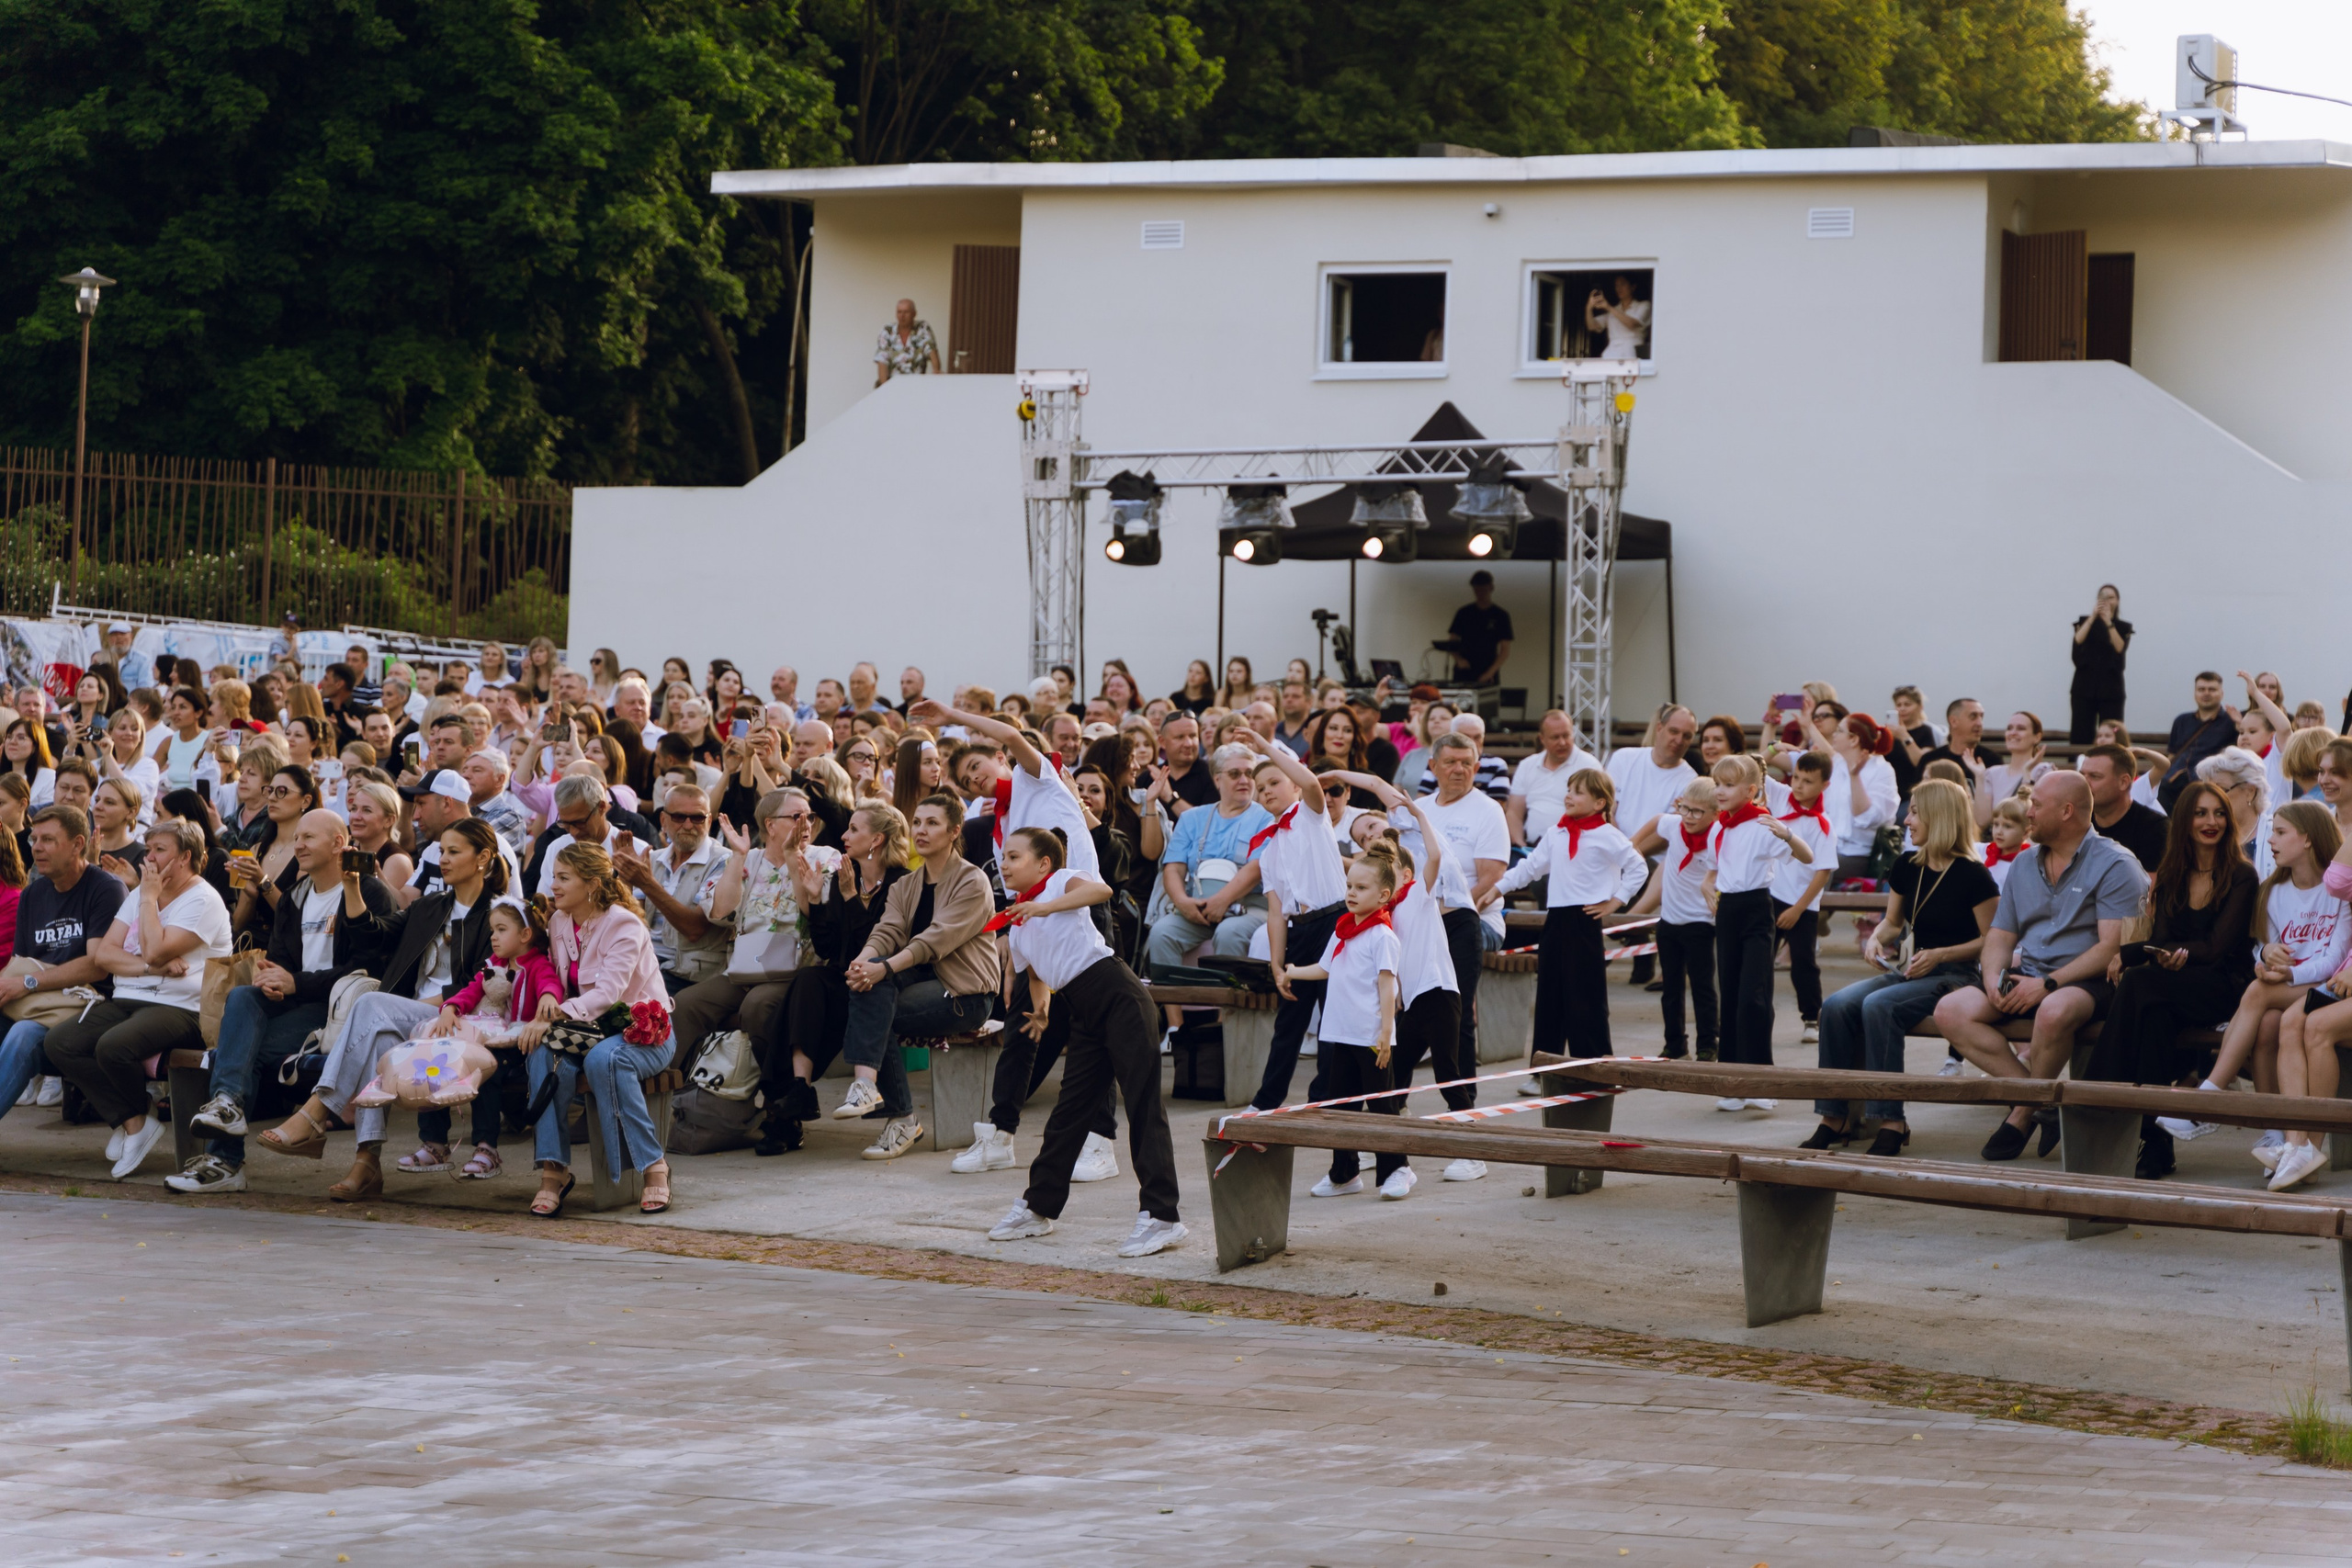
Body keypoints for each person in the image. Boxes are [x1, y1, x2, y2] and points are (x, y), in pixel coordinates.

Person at [168, 810, 400, 1192]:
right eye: (297, 838)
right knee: (244, 995)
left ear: (339, 843)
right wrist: (272, 978)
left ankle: (225, 1161)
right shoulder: (295, 896)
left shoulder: (368, 892)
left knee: (243, 1052)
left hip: (339, 1013)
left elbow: (368, 968)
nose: (299, 845)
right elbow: (283, 960)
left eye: (309, 837)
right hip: (295, 1004)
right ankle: (226, 1106)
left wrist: (296, 983)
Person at [981, 828, 1187, 1257]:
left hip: (1118, 994)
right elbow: (1036, 973)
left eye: (1014, 856)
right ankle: (1038, 1208)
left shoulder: (1061, 883)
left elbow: (1101, 889)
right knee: (1070, 1111)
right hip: (1082, 1010)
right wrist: (1041, 1009)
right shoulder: (1019, 924)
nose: (1004, 864)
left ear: (1043, 864)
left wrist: (1043, 906)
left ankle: (1163, 1215)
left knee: (1142, 1102)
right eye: (1003, 857)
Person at [1931, 771, 2149, 1160]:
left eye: (2036, 805)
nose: (2028, 812)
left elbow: (2110, 949)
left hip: (2092, 980)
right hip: (2030, 972)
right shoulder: (2025, 862)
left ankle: (2022, 1113)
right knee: (1951, 1010)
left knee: (2053, 1010)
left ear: (2067, 811)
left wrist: (2048, 983)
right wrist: (1994, 978)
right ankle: (2044, 1102)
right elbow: (2000, 934)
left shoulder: (2116, 864)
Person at [1806, 780, 1997, 1156]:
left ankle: (1891, 1121)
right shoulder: (1908, 865)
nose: (1906, 820)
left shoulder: (1974, 875)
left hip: (1956, 977)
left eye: (1914, 812)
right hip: (1912, 971)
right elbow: (1893, 921)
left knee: (1880, 1006)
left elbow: (1993, 939)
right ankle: (1834, 1116)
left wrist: (1942, 954)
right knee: (1835, 1006)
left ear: (1939, 816)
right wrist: (1878, 937)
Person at [44, 819, 234, 1179]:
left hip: (182, 1008)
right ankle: (134, 1119)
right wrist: (151, 969)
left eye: (160, 850)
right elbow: (104, 956)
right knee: (60, 1042)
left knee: (113, 1046)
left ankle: (133, 1121)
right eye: (148, 849)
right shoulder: (139, 895)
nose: (149, 858)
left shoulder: (203, 899)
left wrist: (148, 900)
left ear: (185, 857)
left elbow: (157, 948)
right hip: (130, 997)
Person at [2080, 783, 2254, 1175]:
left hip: (2224, 986)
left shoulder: (2241, 875)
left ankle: (2094, 1096)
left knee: (2139, 983)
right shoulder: (2174, 871)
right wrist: (2151, 955)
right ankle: (2156, 1144)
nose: (2212, 822)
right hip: (2171, 987)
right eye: (2201, 813)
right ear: (2184, 821)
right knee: (2153, 1016)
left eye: (2219, 813)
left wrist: (2134, 956)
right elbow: (2159, 940)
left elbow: (2217, 947)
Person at [831, 795, 999, 1159]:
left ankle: (897, 1114)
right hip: (919, 982)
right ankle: (868, 1089)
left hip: (964, 994)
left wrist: (884, 967)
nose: (921, 830)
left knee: (878, 1005)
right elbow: (885, 931)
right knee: (869, 985)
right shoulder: (906, 885)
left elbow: (935, 938)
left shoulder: (973, 881)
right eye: (917, 822)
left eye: (932, 823)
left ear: (954, 832)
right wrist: (863, 962)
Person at [525, 843, 676, 1216]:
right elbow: (558, 980)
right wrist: (547, 1004)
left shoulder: (623, 924)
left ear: (591, 884)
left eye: (564, 878)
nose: (554, 886)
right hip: (586, 1031)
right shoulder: (559, 921)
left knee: (605, 1060)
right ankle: (553, 1169)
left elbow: (608, 994)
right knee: (543, 1054)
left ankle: (654, 1165)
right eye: (554, 877)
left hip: (644, 1033)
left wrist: (555, 1013)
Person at [1484, 767, 1647, 1059]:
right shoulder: (1557, 832)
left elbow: (1638, 867)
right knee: (1550, 992)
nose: (1569, 796)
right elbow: (1531, 867)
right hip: (1556, 917)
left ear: (1599, 803)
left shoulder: (1607, 835)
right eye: (1569, 789)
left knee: (1584, 994)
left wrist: (1616, 900)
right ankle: (1545, 1062)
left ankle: (1592, 1061)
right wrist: (1497, 889)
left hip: (1585, 919)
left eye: (1578, 792)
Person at [2193, 801, 2345, 1115]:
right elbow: (2262, 947)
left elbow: (2336, 961)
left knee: (2258, 992)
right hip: (2293, 988)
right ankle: (2274, 1131)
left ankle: (2210, 1093)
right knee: (2267, 1025)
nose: (2270, 841)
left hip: (2330, 985)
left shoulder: (2338, 890)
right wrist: (2264, 956)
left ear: (2307, 838)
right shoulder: (2272, 891)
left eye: (2280, 832)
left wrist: (2287, 976)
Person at [1233, 730, 1352, 1111]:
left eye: (1274, 782)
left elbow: (1312, 781)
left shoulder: (1311, 815)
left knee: (1332, 1018)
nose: (1266, 791)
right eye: (1259, 787)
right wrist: (1277, 964)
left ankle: (1324, 1100)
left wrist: (1267, 748)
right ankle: (1267, 1101)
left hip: (1334, 923)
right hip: (1299, 932)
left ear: (1294, 787)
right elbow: (1275, 911)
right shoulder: (1268, 851)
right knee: (1288, 1024)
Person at [1282, 851, 1411, 1201]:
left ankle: (1397, 1169)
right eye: (1349, 885)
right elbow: (1325, 969)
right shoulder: (1343, 931)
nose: (1351, 893)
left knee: (1381, 1107)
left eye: (1361, 887)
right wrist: (1292, 971)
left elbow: (1388, 985)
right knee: (1341, 1107)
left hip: (1371, 1036)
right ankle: (1344, 1173)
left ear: (1384, 895)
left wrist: (1386, 1032)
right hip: (1339, 1033)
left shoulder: (1383, 936)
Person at [1408, 732, 1510, 1144]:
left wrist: (1452, 912)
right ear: (1432, 765)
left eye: (1467, 762)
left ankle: (1463, 1102)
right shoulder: (1419, 809)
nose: (1459, 770)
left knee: (1456, 1010)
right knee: (1408, 1010)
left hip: (1469, 922)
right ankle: (1393, 1095)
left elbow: (1490, 877)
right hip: (1417, 923)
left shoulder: (1487, 811)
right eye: (1450, 762)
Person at [0, 807, 127, 1122]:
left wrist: (29, 983)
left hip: (89, 1006)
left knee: (23, 1035)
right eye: (33, 839)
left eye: (48, 840)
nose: (37, 847)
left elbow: (98, 967)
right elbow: (21, 963)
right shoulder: (33, 894)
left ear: (77, 844)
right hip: (37, 1002)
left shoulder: (106, 889)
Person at [1704, 753, 1815, 1097]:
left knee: (1754, 995)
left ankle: (1761, 1081)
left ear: (1751, 790)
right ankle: (1732, 1082)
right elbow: (1712, 867)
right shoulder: (1719, 826)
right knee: (1731, 993)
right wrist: (1707, 884)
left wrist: (1788, 835)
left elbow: (1808, 857)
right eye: (1717, 784)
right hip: (1728, 911)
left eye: (1729, 785)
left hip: (1756, 909)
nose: (1720, 791)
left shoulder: (1764, 824)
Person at [1143, 743, 1272, 1024]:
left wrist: (1223, 901)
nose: (1244, 780)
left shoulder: (1266, 818)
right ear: (1217, 779)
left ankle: (1227, 1024)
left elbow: (1255, 869)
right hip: (1197, 905)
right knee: (1162, 933)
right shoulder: (1192, 818)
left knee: (1229, 933)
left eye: (1250, 773)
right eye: (1235, 773)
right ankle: (1177, 1026)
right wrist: (1182, 903)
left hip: (1250, 907)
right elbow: (1173, 868)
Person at [1625, 777, 1719, 1062]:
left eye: (1697, 812)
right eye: (1684, 808)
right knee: (1671, 990)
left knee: (1703, 988)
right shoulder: (1674, 825)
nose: (1688, 817)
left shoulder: (1718, 836)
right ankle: (1675, 1043)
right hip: (1669, 921)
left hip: (1701, 922)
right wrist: (1632, 846)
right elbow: (1656, 820)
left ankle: (1708, 1043)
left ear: (1715, 813)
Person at [617, 783, 732, 990]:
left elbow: (695, 929)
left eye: (697, 818)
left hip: (687, 973)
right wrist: (626, 880)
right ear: (663, 820)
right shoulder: (653, 858)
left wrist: (646, 882)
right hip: (645, 963)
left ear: (709, 821)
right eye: (679, 817)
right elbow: (634, 923)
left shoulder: (724, 861)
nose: (688, 825)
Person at [1769, 752, 1838, 1043]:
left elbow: (1822, 872)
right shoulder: (1781, 795)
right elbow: (1752, 769)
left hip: (1803, 905)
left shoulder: (1823, 824)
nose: (1798, 785)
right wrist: (1773, 746)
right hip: (1771, 895)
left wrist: (1797, 909)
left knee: (1803, 963)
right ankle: (1755, 1014)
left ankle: (1812, 1018)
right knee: (1759, 961)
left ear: (1825, 785)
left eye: (1808, 781)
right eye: (1796, 777)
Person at [1507, 710, 1602, 850]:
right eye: (1555, 737)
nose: (1562, 742)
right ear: (1542, 739)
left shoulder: (1589, 766)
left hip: (1575, 848)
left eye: (1566, 735)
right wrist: (1521, 847)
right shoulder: (1527, 765)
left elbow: (1601, 813)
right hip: (1531, 848)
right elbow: (1514, 812)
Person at [2079, 742, 2167, 871]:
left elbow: (2149, 889)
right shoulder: (2076, 821)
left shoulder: (2154, 827)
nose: (2084, 783)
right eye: (2082, 775)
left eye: (2095, 776)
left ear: (2123, 782)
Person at [2159, 671, 2240, 811]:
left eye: (2212, 689)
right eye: (2201, 689)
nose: (2206, 693)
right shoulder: (2181, 720)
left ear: (2222, 693)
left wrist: (2240, 725)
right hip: (2173, 782)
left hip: (2206, 783)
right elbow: (2172, 756)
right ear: (2195, 693)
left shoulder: (2230, 722)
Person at [2067, 584, 2132, 743]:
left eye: (2111, 598)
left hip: (2111, 688)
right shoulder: (2083, 622)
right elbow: (2078, 640)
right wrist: (2093, 616)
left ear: (2118, 601)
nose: (2107, 601)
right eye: (2103, 598)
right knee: (2080, 731)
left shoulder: (2123, 627)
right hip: (2084, 687)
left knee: (2112, 731)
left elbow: (2119, 647)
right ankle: (2079, 764)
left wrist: (2108, 621)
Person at [1919, 697, 1997, 827]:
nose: (1979, 723)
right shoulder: (1931, 760)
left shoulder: (1991, 760)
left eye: (1981, 717)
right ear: (1953, 721)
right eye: (1973, 717)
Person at [1443, 570, 1513, 686]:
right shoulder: (1464, 613)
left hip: (1488, 667)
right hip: (1464, 668)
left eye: (1483, 589)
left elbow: (1505, 650)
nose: (1480, 593)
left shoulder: (1500, 615)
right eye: (1477, 590)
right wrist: (1459, 659)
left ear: (1491, 588)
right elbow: (1452, 641)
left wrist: (1490, 672)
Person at [874, 297, 942, 384]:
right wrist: (884, 389)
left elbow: (932, 351)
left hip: (917, 384)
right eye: (899, 312)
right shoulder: (888, 331)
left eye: (906, 312)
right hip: (892, 384)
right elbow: (882, 360)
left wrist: (937, 372)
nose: (902, 316)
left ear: (914, 314)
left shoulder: (922, 328)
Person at [1586, 272, 1651, 360]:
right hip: (1611, 355)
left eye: (1623, 284)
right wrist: (1589, 307)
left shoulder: (1644, 305)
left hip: (1632, 354)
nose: (1619, 288)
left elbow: (1631, 323)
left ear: (1633, 287)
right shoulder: (1614, 310)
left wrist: (1608, 307)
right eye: (1617, 285)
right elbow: (1592, 326)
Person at [0, 717, 55, 809]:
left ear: (35, 745)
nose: (12, 742)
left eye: (21, 738)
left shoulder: (48, 776)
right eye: (9, 737)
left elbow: (47, 814)